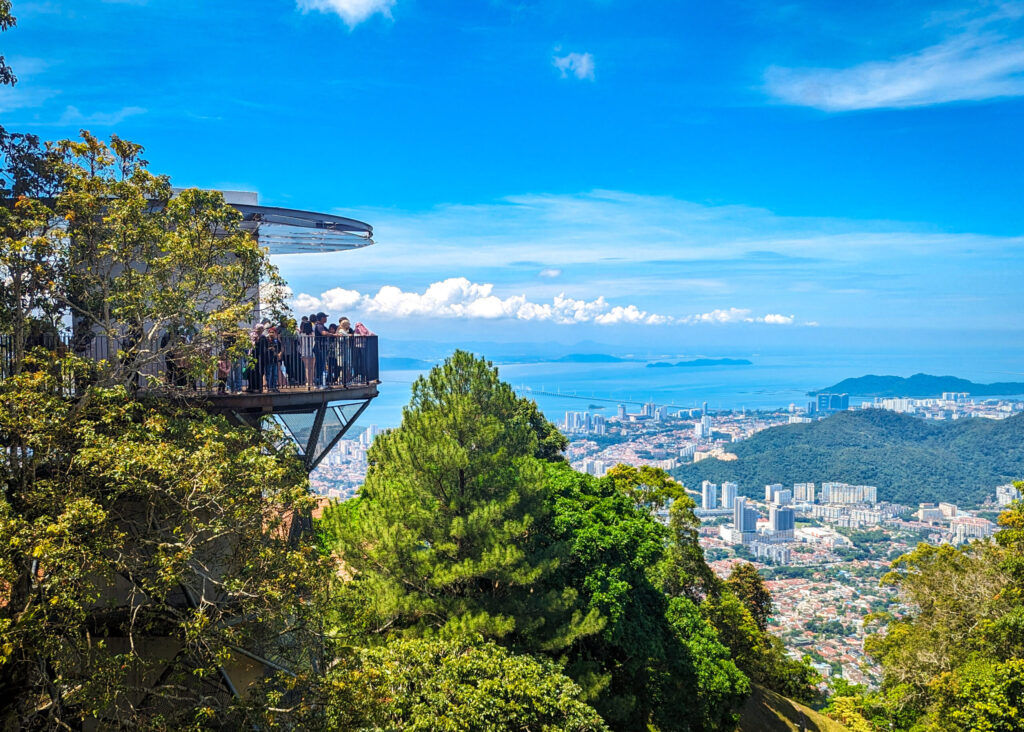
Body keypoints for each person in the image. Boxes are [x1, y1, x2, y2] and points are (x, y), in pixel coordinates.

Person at [299, 318, 315, 389]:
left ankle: (308, 381)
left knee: (307, 367)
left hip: (304, 351)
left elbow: (300, 343)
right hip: (312, 351)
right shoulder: (313, 334)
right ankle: (311, 381)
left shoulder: (301, 334)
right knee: (312, 367)